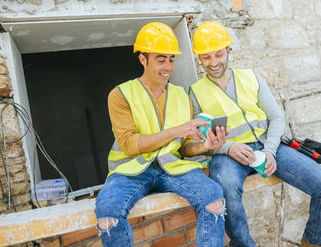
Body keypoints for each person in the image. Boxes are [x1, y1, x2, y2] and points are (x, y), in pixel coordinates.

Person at [182, 21, 321, 247]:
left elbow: (276, 118)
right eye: (206, 57)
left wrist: (270, 152)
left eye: (218, 54)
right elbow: (196, 141)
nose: (213, 63)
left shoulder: (251, 77)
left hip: (267, 145)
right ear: (199, 58)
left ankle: (314, 242)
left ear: (228, 51)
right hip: (227, 155)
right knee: (227, 191)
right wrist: (227, 147)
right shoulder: (195, 92)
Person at [94, 22, 227, 247]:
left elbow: (185, 147)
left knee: (213, 196)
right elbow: (129, 144)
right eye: (160, 59)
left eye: (171, 59)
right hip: (131, 169)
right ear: (142, 59)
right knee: (108, 212)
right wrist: (177, 130)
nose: (167, 66)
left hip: (172, 167)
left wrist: (205, 146)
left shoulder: (180, 95)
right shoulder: (119, 95)